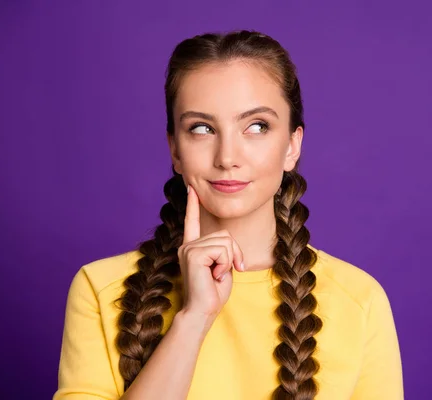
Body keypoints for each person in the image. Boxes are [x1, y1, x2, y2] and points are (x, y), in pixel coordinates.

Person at [53, 30, 403, 400]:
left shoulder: (359, 300)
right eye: (202, 129)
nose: (227, 157)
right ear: (175, 149)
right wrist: (193, 319)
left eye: (256, 126)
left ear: (292, 145)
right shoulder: (101, 288)